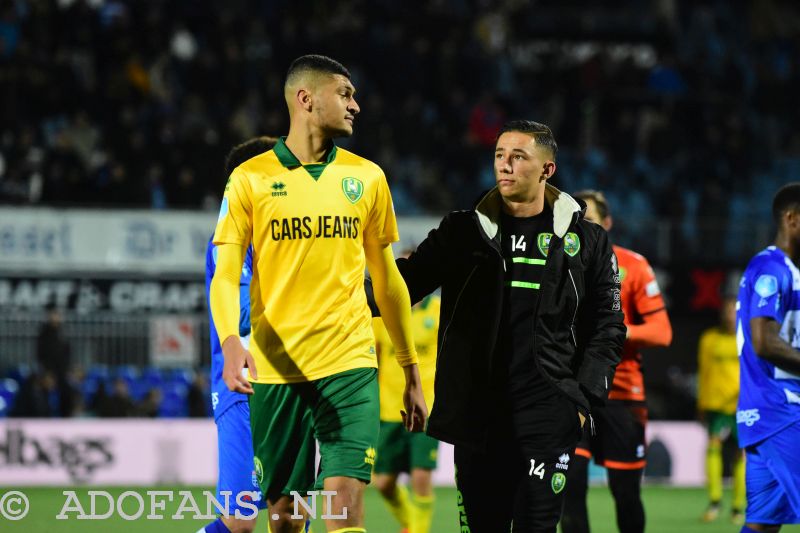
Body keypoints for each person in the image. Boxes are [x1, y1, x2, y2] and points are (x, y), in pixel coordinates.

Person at [209, 54, 427, 533]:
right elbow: (224, 276)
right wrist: (229, 343)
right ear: (306, 99)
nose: (356, 106)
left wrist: (410, 367)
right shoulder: (249, 181)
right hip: (278, 369)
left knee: (344, 511)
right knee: (286, 520)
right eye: (345, 94)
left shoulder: (367, 178)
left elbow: (388, 281)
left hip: (350, 366)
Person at [391, 120, 625, 532]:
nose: (505, 166)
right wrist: (343, 284)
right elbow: (403, 287)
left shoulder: (587, 240)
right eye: (500, 156)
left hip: (549, 413)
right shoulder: (462, 231)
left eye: (518, 157)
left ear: (546, 170)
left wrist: (584, 399)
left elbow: (607, 325)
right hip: (479, 416)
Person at [562, 190, 673, 533]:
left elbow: (661, 332)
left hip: (621, 394)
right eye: (575, 222)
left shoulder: (633, 265)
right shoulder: (557, 263)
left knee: (625, 493)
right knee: (570, 488)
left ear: (608, 223)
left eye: (591, 220)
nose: (583, 229)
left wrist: (609, 331)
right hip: (571, 391)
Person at [201, 136, 276, 533]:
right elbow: (241, 311)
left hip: (292, 388)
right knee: (238, 523)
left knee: (292, 516)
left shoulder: (283, 236)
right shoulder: (229, 240)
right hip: (242, 389)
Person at [736, 182, 800, 533]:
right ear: (792, 219)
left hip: (765, 416)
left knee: (761, 526)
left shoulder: (784, 270)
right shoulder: (772, 269)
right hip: (784, 412)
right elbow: (765, 342)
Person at [371, 255, 440, 533]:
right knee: (384, 483)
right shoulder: (381, 313)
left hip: (427, 407)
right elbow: (373, 359)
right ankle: (409, 523)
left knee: (421, 478)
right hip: (389, 409)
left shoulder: (437, 312)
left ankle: (418, 531)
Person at [697, 296, 745, 524]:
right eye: (726, 311)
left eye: (734, 311)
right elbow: (703, 372)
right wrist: (701, 403)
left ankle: (739, 506)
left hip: (742, 405)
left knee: (741, 453)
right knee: (713, 447)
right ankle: (715, 501)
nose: (730, 315)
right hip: (715, 404)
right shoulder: (709, 339)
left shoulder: (749, 340)